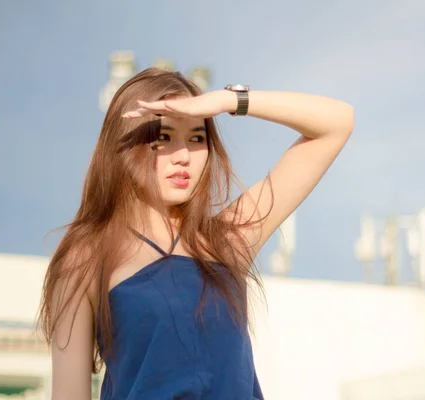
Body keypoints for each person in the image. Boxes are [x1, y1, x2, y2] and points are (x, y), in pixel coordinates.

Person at [37, 68, 354, 400]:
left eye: (196, 138)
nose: (183, 156)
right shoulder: (86, 257)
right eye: (164, 137)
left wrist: (227, 100)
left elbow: (336, 124)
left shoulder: (228, 240)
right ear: (127, 142)